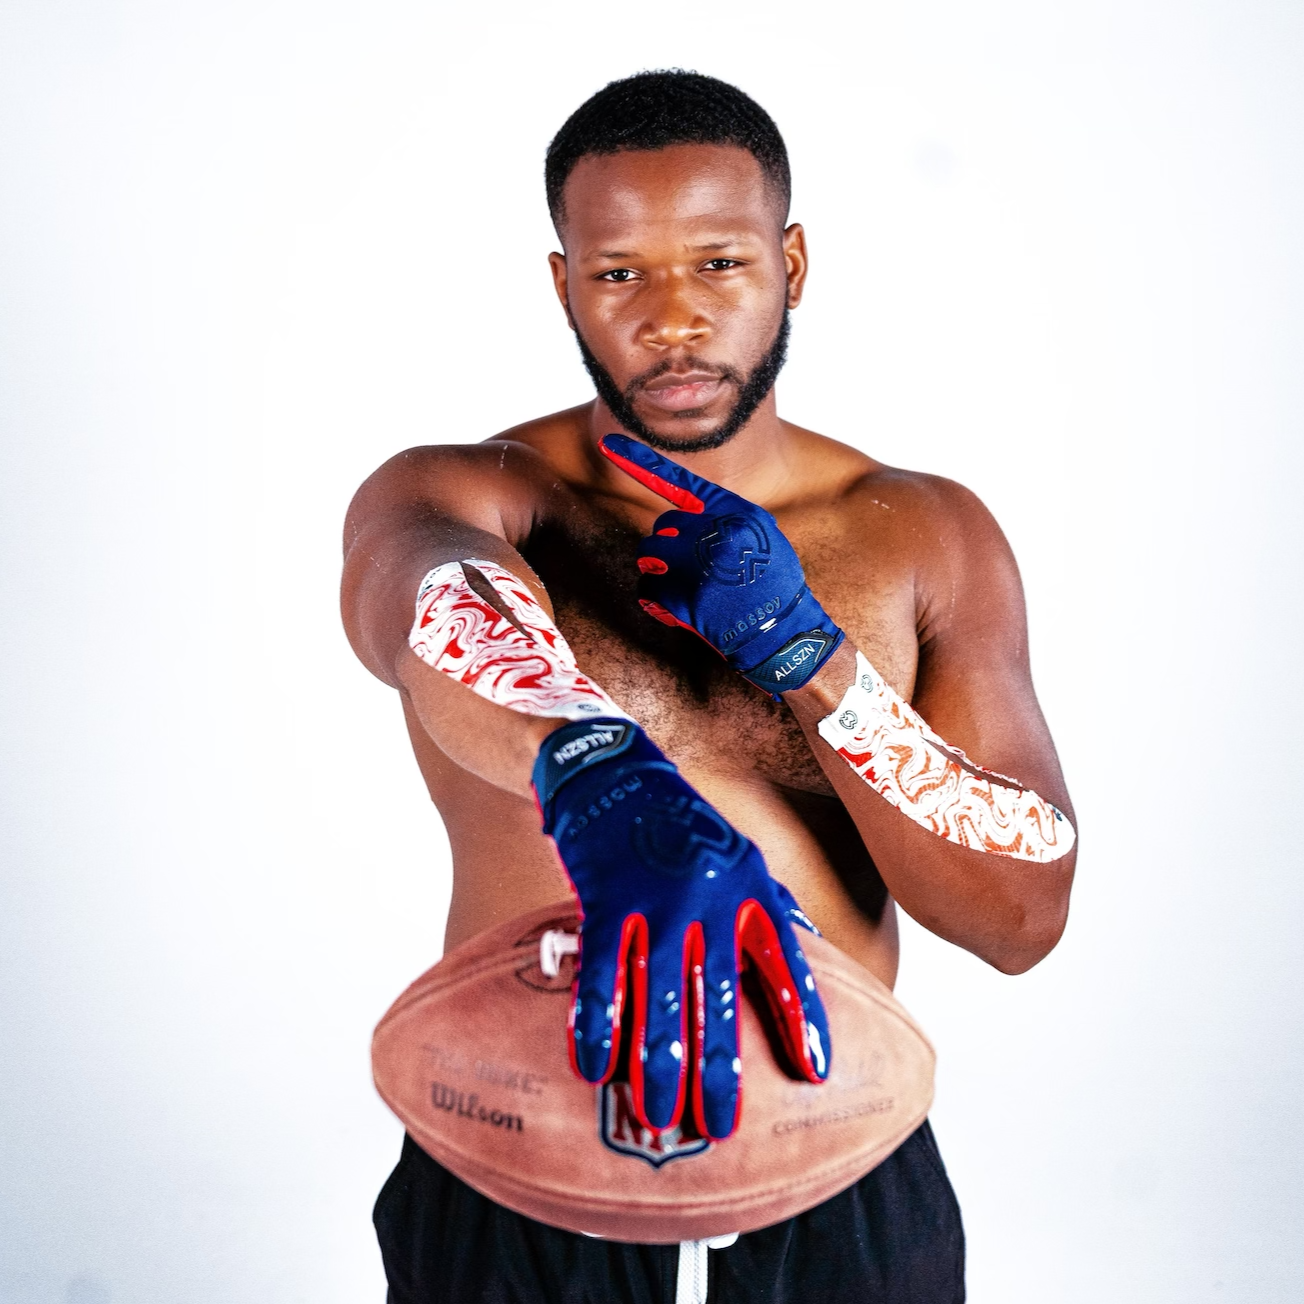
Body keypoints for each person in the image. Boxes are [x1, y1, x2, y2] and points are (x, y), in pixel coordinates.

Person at [342, 69, 1076, 1304]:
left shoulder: (922, 533)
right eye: (619, 271)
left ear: (790, 262)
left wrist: (808, 655)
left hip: (834, 1144)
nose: (671, 318)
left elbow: (1021, 915)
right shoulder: (469, 495)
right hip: (522, 1144)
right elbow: (425, 598)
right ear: (563, 282)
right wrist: (595, 764)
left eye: (719, 263)